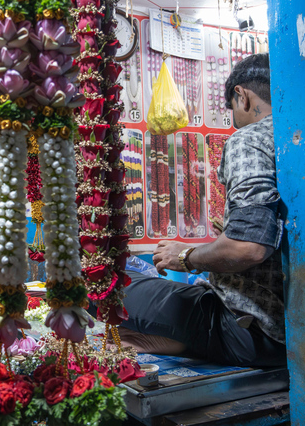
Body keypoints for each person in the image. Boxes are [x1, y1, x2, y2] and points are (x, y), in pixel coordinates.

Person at [118, 53, 285, 367]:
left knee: (110, 282)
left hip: (249, 330)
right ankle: (166, 341)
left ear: (242, 96)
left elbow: (247, 248)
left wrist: (184, 256)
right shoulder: (302, 138)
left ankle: (182, 337)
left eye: (233, 110)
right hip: (285, 335)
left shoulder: (249, 140)